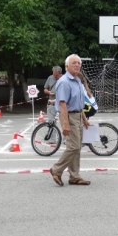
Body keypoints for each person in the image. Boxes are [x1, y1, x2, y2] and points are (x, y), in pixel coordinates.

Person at [49, 54, 91, 187]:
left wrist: (84, 118)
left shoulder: (77, 80)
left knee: (77, 147)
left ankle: (74, 176)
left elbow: (79, 103)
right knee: (73, 146)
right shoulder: (64, 82)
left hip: (77, 115)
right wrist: (65, 124)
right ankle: (56, 169)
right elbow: (62, 104)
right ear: (67, 66)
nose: (77, 65)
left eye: (79, 63)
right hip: (69, 116)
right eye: (74, 63)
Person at [44, 66, 62, 143]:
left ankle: (66, 139)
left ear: (60, 74)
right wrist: (48, 92)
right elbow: (45, 89)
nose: (55, 76)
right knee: (51, 121)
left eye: (56, 75)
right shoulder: (50, 78)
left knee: (64, 121)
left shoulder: (64, 79)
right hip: (51, 103)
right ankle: (52, 139)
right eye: (54, 74)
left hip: (62, 103)